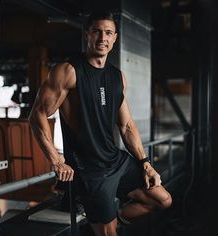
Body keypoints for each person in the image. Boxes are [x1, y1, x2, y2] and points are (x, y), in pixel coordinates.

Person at [29, 9, 172, 236]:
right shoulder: (68, 71)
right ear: (87, 34)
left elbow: (126, 126)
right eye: (96, 31)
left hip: (115, 160)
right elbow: (37, 115)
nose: (102, 38)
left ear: (115, 38)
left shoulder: (117, 77)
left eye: (108, 33)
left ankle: (115, 219)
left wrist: (146, 164)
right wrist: (57, 161)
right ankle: (97, 214)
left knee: (162, 199)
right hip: (90, 170)